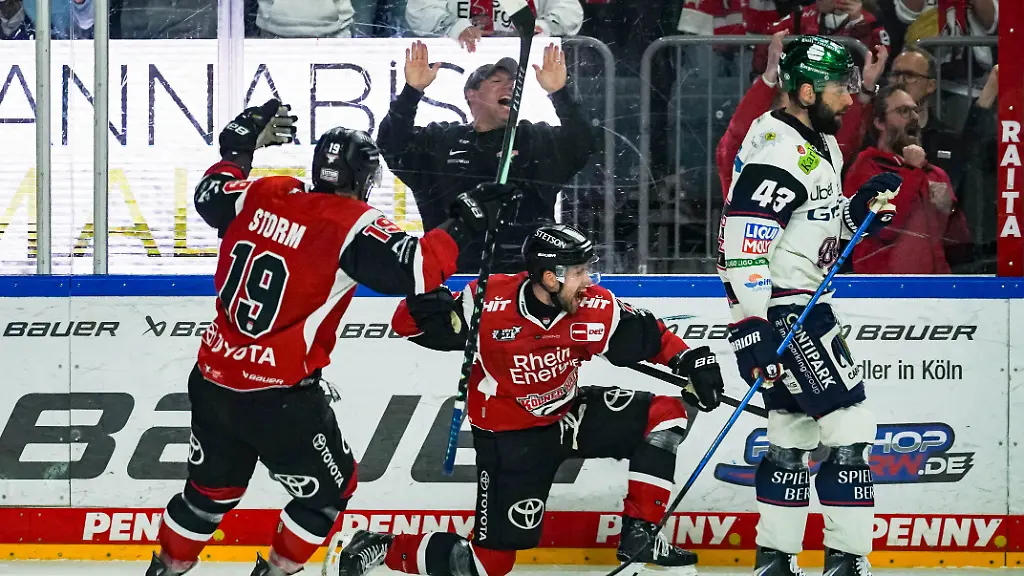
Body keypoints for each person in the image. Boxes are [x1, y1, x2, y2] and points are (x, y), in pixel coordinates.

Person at [145, 99, 519, 576]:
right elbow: (419, 268)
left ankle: (165, 569)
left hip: (214, 378)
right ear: (363, 178)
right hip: (279, 397)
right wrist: (467, 219)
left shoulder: (265, 192)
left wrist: (237, 150)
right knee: (328, 494)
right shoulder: (352, 223)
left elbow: (209, 194)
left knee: (208, 493)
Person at [333, 223, 728, 576]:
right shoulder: (486, 302)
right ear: (550, 278)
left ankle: (641, 535)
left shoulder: (594, 306)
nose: (587, 281)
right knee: (487, 565)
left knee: (664, 415)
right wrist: (420, 302)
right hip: (510, 437)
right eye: (578, 272)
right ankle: (381, 546)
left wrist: (691, 361)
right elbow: (409, 325)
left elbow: (649, 336)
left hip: (568, 414)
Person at [718, 36, 901, 576]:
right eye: (840, 88)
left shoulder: (817, 141)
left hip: (789, 304)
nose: (850, 98)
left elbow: (811, 225)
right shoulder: (780, 153)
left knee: (791, 432)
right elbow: (742, 247)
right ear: (804, 91)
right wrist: (753, 327)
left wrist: (858, 211)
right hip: (789, 309)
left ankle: (775, 561)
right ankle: (847, 560)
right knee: (849, 427)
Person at [377, 41, 596, 273]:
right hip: (454, 278)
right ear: (472, 95)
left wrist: (560, 94)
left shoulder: (535, 138)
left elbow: (584, 143)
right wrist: (411, 92)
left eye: (513, 82)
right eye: (496, 81)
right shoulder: (441, 140)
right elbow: (391, 144)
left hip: (524, 278)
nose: (510, 86)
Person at [716, 30, 889, 199]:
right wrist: (769, 76)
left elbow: (842, 140)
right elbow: (736, 138)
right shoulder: (754, 147)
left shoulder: (817, 142)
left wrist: (865, 91)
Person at [843, 85, 970, 273]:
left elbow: (960, 244)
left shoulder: (935, 174)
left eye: (915, 110)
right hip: (882, 287)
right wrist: (911, 171)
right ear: (879, 122)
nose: (914, 117)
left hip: (936, 285)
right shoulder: (866, 167)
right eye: (903, 111)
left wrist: (950, 210)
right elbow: (883, 228)